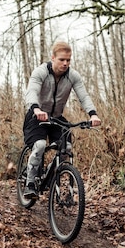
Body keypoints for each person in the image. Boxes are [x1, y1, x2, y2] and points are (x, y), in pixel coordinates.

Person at [22, 41, 102, 199]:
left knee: (67, 149)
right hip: (36, 116)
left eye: (68, 60)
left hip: (57, 119)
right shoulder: (40, 72)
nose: (65, 63)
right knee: (39, 146)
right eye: (62, 60)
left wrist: (93, 114)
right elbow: (32, 91)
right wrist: (36, 109)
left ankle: (53, 175)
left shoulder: (73, 76)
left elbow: (83, 96)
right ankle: (30, 184)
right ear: (53, 58)